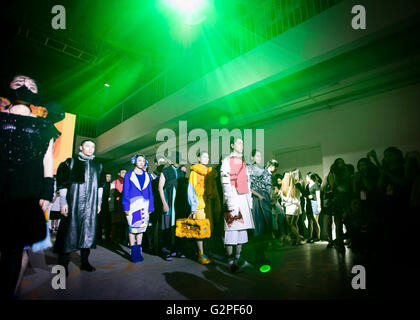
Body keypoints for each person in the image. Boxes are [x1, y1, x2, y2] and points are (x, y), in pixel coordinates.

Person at [0, 74, 59, 298]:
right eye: (18, 82)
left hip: (26, 190)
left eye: (31, 84)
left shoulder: (44, 126)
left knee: (14, 249)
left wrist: (47, 189)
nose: (24, 85)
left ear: (37, 93)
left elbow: (47, 160)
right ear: (8, 87)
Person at [54, 139, 105, 275]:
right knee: (67, 235)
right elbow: (63, 183)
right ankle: (63, 265)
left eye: (93, 146)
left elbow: (100, 186)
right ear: (81, 147)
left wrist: (99, 203)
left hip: (90, 206)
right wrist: (63, 202)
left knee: (87, 234)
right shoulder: (71, 163)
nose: (90, 149)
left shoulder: (98, 166)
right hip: (73, 204)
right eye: (87, 146)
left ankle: (85, 262)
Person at [220, 137, 254, 272]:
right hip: (233, 199)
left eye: (242, 143)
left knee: (241, 231)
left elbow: (248, 182)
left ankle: (238, 257)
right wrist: (229, 201)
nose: (242, 145)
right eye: (239, 143)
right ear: (232, 145)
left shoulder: (243, 162)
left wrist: (249, 201)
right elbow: (225, 182)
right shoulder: (226, 161)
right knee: (231, 230)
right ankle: (230, 260)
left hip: (243, 200)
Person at [247, 150, 278, 267]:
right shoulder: (248, 169)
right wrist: (258, 195)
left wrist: (270, 197)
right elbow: (247, 185)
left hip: (265, 199)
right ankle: (258, 255)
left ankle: (262, 254)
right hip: (256, 199)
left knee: (266, 227)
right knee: (258, 227)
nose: (259, 157)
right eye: (257, 155)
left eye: (260, 155)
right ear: (252, 157)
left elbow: (269, 185)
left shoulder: (265, 170)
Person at [187, 151, 218, 264]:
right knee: (200, 229)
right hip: (199, 204)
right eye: (204, 156)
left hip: (208, 204)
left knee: (208, 229)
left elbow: (213, 189)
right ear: (199, 158)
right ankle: (201, 253)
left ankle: (205, 251)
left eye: (208, 157)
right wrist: (193, 206)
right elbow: (190, 190)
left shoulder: (210, 173)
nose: (206, 159)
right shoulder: (194, 172)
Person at [122, 154, 154, 262]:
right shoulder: (129, 174)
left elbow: (150, 192)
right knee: (132, 228)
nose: (141, 162)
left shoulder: (147, 175)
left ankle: (139, 251)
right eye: (139, 160)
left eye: (143, 161)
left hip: (144, 204)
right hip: (132, 205)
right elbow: (125, 191)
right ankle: (133, 252)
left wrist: (151, 206)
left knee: (141, 229)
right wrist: (125, 206)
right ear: (135, 161)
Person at [158, 152, 186, 261]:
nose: (177, 162)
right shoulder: (165, 171)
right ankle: (166, 250)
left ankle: (178, 250)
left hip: (179, 205)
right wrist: (164, 203)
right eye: (176, 160)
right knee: (166, 227)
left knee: (178, 227)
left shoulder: (181, 173)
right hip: (168, 204)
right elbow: (160, 188)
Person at [280, 172, 305, 245]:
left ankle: (298, 237)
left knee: (290, 224)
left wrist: (281, 195)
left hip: (290, 207)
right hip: (297, 207)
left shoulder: (287, 188)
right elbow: (300, 196)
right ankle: (295, 240)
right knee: (294, 224)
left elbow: (287, 199)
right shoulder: (296, 187)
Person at [110, 169, 127, 247]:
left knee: (124, 224)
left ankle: (123, 240)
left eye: (125, 173)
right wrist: (112, 207)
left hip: (125, 206)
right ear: (119, 173)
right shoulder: (114, 182)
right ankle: (114, 240)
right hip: (117, 206)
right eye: (123, 172)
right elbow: (111, 196)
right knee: (116, 224)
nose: (124, 174)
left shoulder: (128, 182)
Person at [305, 172, 321, 243]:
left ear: (310, 177)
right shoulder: (307, 186)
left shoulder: (316, 185)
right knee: (309, 221)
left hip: (314, 203)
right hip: (308, 204)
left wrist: (319, 206)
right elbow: (306, 195)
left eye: (307, 177)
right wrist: (308, 197)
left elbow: (318, 197)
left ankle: (318, 236)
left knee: (315, 221)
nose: (306, 178)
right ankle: (310, 236)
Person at [97, 173, 112, 244]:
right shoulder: (102, 185)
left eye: (110, 177)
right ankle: (99, 238)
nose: (108, 178)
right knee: (100, 222)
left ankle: (107, 238)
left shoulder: (111, 185)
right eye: (107, 176)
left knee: (107, 223)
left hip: (108, 206)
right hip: (102, 205)